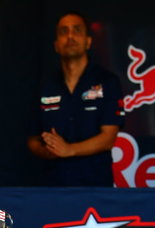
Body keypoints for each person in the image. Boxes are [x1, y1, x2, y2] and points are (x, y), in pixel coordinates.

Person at [27, 12, 123, 186]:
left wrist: (69, 150)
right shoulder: (44, 85)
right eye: (64, 31)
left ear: (88, 41)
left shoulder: (108, 81)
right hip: (52, 186)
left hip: (96, 187)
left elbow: (109, 138)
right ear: (56, 45)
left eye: (76, 30)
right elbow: (32, 139)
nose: (70, 36)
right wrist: (47, 151)